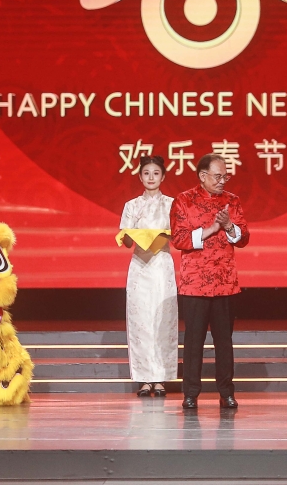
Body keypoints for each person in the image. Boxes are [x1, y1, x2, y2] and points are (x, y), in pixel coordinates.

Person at [170, 153, 250, 410]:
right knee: (193, 342)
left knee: (224, 342)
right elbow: (179, 239)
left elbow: (244, 237)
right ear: (202, 176)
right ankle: (190, 393)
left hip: (225, 282)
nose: (222, 180)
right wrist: (211, 230)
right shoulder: (184, 200)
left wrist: (228, 226)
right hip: (194, 283)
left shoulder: (232, 201)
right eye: (218, 176)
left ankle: (226, 392)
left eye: (225, 176)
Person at [119, 156, 178, 397]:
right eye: (146, 173)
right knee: (141, 322)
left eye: (156, 173)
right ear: (140, 177)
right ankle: (144, 379)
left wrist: (163, 236)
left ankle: (161, 378)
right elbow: (124, 240)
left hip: (162, 265)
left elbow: (179, 235)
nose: (151, 177)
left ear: (163, 177)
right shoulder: (131, 205)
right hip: (140, 266)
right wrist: (130, 235)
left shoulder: (173, 204)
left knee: (163, 321)